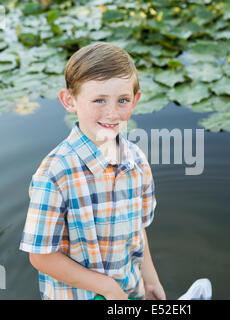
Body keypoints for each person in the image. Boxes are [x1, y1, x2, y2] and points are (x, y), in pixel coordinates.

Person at [19, 42, 166, 300]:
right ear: (69, 100)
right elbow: (41, 256)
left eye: (123, 100)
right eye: (99, 100)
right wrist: (106, 288)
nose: (112, 113)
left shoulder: (138, 163)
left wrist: (150, 278)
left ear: (136, 100)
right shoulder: (55, 174)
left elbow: (137, 229)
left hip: (129, 292)